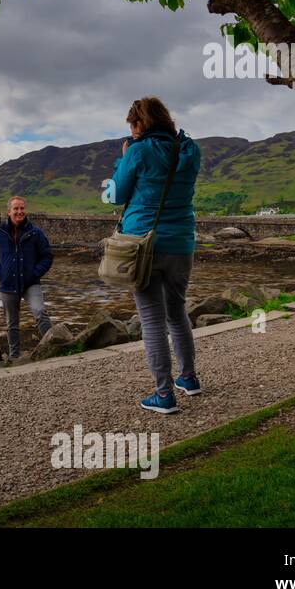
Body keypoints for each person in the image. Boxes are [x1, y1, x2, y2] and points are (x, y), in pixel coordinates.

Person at [110, 97, 202, 414]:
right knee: (177, 312)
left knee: (151, 321)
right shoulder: (189, 150)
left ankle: (163, 395)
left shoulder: (137, 150)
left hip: (144, 245)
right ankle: (188, 378)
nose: (132, 131)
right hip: (181, 244)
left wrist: (122, 161)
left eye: (132, 125)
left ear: (140, 123)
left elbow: (115, 196)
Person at [0, 196, 53, 360]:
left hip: (31, 283)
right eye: (16, 209)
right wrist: (0, 274)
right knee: (12, 323)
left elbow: (47, 256)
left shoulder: (35, 232)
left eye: (22, 208)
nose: (19, 212)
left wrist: (35, 273)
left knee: (40, 311)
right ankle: (14, 356)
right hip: (8, 285)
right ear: (9, 212)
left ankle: (52, 345)